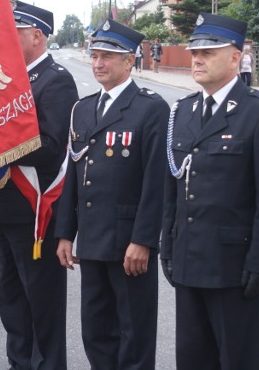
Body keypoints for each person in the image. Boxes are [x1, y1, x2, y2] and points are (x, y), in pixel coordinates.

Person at [160, 13, 259, 370]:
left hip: (234, 268)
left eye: (209, 52)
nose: (197, 59)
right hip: (188, 263)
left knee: (237, 360)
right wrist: (167, 247)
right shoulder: (183, 111)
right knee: (192, 359)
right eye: (194, 52)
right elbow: (173, 187)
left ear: (236, 57)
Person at [56, 19, 169, 370]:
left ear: (129, 61)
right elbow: (73, 174)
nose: (98, 63)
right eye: (95, 55)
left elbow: (157, 182)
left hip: (128, 243)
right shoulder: (84, 108)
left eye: (108, 56)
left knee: (132, 333)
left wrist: (144, 240)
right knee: (96, 329)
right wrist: (65, 233)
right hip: (91, 239)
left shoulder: (150, 108)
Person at [0, 0, 78, 370]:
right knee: (11, 299)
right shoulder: (7, 79)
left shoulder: (56, 80)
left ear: (36, 36)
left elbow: (53, 146)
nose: (6, 38)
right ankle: (19, 363)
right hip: (3, 207)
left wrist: (1, 145)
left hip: (35, 209)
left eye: (14, 31)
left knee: (42, 302)